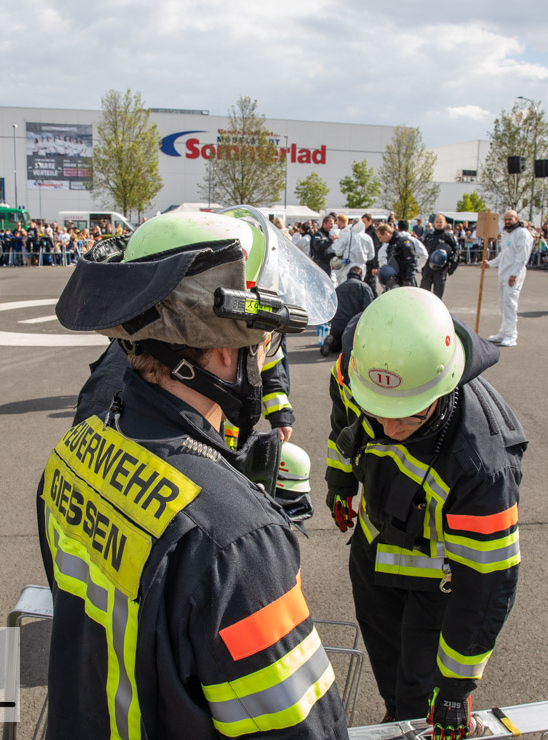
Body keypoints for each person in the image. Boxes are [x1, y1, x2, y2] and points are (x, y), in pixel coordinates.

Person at [39, 210, 345, 738]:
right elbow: (298, 728)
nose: (267, 356)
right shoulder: (236, 542)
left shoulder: (72, 452)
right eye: (267, 342)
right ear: (226, 350)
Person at [325, 288, 524, 739]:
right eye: (379, 409)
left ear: (443, 384)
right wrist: (340, 483)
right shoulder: (357, 368)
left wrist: (455, 688)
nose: (390, 427)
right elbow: (343, 427)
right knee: (390, 675)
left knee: (420, 690)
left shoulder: (483, 464)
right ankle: (397, 715)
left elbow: (487, 583)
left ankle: (409, 719)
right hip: (373, 552)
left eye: (409, 415)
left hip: (436, 580)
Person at [481, 210, 532, 347]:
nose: (508, 222)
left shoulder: (522, 234)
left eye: (510, 219)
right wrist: (490, 264)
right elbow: (503, 255)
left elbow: (522, 256)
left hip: (513, 274)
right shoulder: (507, 234)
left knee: (510, 303)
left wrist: (514, 274)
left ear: (516, 219)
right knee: (503, 303)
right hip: (503, 273)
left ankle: (511, 335)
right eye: (506, 219)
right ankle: (504, 332)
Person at [320, 265, 374, 357]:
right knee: (351, 344)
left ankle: (331, 340)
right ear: (360, 275)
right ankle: (347, 354)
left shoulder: (339, 288)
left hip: (337, 323)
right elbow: (368, 308)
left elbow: (331, 306)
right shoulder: (364, 287)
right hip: (352, 325)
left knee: (337, 344)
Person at [420, 214, 460, 299]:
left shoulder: (449, 237)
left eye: (441, 222)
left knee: (438, 297)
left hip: (441, 270)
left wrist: (452, 268)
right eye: (437, 222)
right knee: (423, 294)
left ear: (445, 223)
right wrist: (422, 267)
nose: (438, 224)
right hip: (428, 269)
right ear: (434, 223)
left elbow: (456, 251)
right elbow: (423, 251)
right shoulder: (429, 236)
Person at [376, 223, 418, 288]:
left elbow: (411, 261)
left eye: (380, 237)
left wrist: (408, 279)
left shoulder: (404, 242)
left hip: (406, 281)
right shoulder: (390, 246)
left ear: (386, 233)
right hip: (396, 281)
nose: (380, 240)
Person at [309, 213, 336, 280]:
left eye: (333, 224)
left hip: (327, 264)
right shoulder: (318, 234)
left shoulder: (329, 234)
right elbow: (318, 246)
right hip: (320, 264)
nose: (332, 226)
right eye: (330, 224)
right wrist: (330, 240)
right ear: (324, 224)